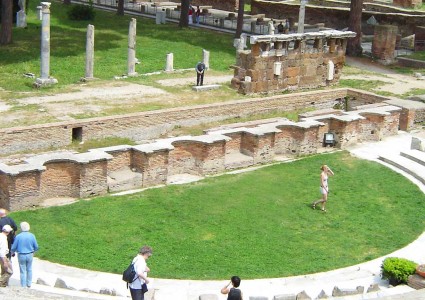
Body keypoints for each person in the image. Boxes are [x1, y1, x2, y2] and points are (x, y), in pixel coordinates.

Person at [11, 222, 39, 288]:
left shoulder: (18, 236)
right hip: (30, 254)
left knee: (22, 270)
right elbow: (36, 246)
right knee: (29, 269)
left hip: (21, 255)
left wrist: (12, 252)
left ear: (21, 228)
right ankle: (29, 283)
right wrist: (34, 251)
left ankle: (23, 285)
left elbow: (14, 247)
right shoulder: (32, 235)